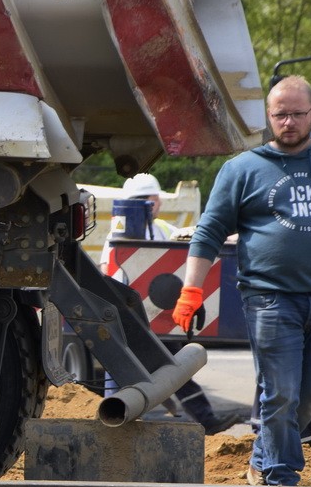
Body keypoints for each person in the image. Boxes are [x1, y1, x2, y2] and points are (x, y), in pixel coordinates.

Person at [173, 75, 311, 486]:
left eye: (297, 114)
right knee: (280, 392)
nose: (288, 122)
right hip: (270, 299)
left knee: (307, 398)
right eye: (279, 115)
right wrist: (191, 290)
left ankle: (261, 457)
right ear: (268, 117)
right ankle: (279, 478)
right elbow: (209, 231)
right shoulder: (243, 169)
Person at [100, 174, 239, 435]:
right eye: (155, 199)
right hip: (130, 311)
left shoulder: (160, 227)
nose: (158, 204)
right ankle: (113, 421)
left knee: (169, 366)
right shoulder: (121, 234)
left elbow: (177, 245)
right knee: (133, 365)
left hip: (153, 312)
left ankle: (205, 419)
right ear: (148, 202)